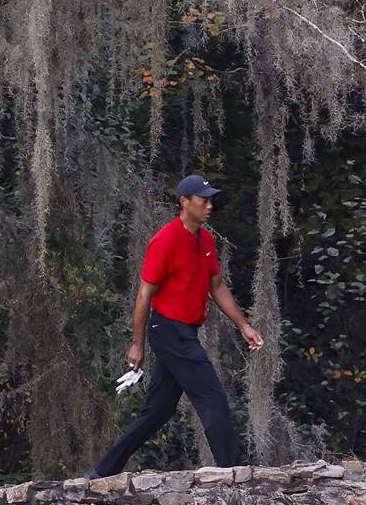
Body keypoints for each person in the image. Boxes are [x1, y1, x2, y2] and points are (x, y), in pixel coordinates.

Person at [91, 174, 263, 476]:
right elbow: (144, 295)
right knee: (212, 397)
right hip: (169, 331)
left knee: (157, 411)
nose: (210, 206)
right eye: (203, 200)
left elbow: (217, 286)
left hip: (184, 331)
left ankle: (102, 471)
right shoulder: (165, 240)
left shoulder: (206, 240)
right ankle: (233, 473)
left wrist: (243, 326)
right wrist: (137, 343)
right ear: (184, 202)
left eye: (211, 200)